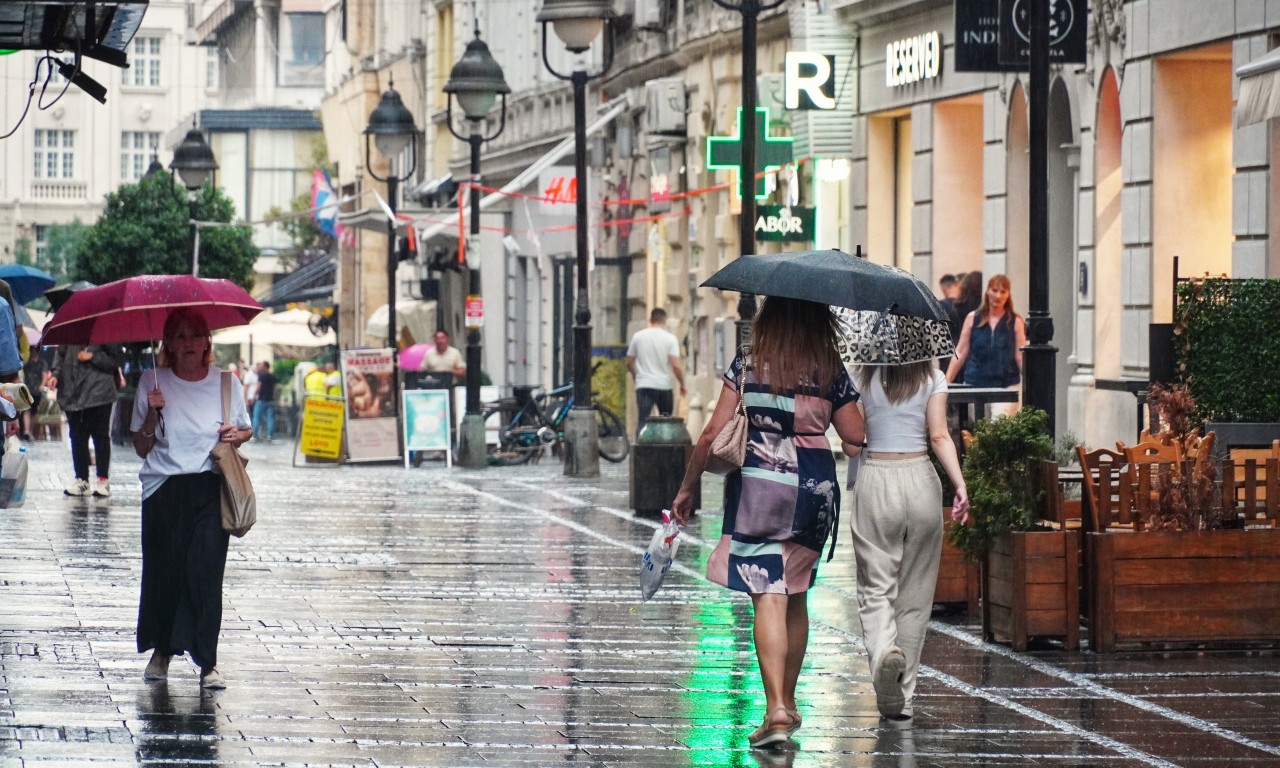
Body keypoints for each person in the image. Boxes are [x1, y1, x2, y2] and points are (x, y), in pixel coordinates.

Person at [670, 296, 865, 748]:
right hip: (814, 492)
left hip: (759, 489)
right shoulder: (828, 365)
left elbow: (712, 433)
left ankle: (775, 707)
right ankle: (789, 704)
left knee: (768, 597)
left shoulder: (749, 361)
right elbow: (855, 434)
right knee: (796, 595)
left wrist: (687, 487)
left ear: (770, 315)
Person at [130, 308, 253, 690]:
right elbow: (140, 446)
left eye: (194, 336)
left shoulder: (225, 382)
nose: (188, 344)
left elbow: (246, 429)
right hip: (163, 489)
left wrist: (236, 435)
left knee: (204, 573)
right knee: (165, 573)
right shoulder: (152, 380)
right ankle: (162, 652)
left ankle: (208, 663)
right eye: (179, 336)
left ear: (206, 342)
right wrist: (152, 414)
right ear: (167, 344)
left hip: (209, 486)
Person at [847, 359, 968, 722]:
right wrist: (959, 485)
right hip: (921, 480)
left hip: (877, 479)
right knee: (915, 597)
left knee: (875, 588)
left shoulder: (860, 374)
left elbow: (852, 446)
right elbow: (939, 436)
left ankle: (885, 652)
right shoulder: (933, 376)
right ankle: (903, 698)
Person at [946, 274, 1026, 418]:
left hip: (1006, 385)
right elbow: (961, 351)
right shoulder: (973, 318)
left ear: (1008, 295)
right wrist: (946, 381)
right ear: (987, 291)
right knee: (977, 431)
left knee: (999, 428)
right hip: (975, 384)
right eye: (994, 290)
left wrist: (1029, 383)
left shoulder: (1015, 321)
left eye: (1003, 292)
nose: (998, 296)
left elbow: (1020, 356)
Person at [49, 342, 121, 497]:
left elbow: (114, 361)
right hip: (72, 392)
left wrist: (93, 357)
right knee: (77, 437)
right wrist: (55, 375)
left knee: (100, 436)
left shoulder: (105, 330)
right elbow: (61, 355)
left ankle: (103, 480)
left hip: (100, 393)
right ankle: (82, 479)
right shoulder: (70, 330)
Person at [626, 308, 686, 439]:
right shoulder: (670, 339)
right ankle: (665, 450)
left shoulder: (638, 337)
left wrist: (636, 376)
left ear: (650, 319)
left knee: (643, 419)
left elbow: (629, 362)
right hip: (664, 386)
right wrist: (682, 384)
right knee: (666, 422)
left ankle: (641, 451)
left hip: (644, 385)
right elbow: (675, 366)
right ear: (664, 320)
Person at [20, 347, 48, 442]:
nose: (33, 352)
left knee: (34, 412)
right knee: (27, 410)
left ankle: (30, 431)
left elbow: (44, 374)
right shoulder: (25, 362)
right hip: (26, 389)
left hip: (36, 390)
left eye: (35, 350)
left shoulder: (41, 362)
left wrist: (42, 385)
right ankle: (27, 431)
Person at [251, 361, 277, 442]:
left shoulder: (261, 376)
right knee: (270, 418)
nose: (260, 367)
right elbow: (276, 388)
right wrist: (274, 397)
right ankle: (270, 435)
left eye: (262, 365)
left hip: (261, 399)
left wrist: (254, 395)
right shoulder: (272, 376)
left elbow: (258, 387)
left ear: (265, 366)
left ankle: (254, 436)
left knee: (256, 417)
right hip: (271, 400)